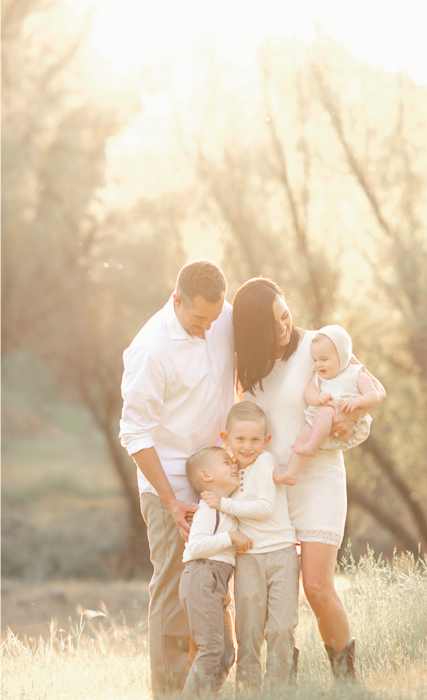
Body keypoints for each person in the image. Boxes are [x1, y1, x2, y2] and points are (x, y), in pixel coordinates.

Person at [232, 277, 386, 681]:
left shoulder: (321, 345)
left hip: (317, 480)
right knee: (274, 596)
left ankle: (347, 682)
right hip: (270, 488)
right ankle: (286, 679)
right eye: (272, 324)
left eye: (285, 315)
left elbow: (365, 405)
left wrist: (344, 422)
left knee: (317, 587)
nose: (284, 327)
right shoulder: (246, 366)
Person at [119, 260, 235, 698]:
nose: (207, 328)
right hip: (168, 486)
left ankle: (205, 688)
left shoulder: (221, 314)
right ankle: (168, 693)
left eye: (214, 317)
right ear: (176, 301)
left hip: (217, 479)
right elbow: (134, 432)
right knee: (173, 588)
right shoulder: (151, 350)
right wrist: (170, 500)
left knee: (214, 582)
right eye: (196, 319)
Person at [201, 401, 300, 693]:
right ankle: (248, 691)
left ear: (266, 441)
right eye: (240, 439)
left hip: (281, 553)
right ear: (226, 439)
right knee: (249, 629)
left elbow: (265, 507)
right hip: (247, 559)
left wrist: (224, 503)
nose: (247, 446)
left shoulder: (264, 462)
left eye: (255, 439)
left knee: (281, 627)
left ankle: (279, 690)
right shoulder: (229, 473)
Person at [179, 446, 251, 699]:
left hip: (218, 582)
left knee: (226, 653)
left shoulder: (227, 508)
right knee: (211, 648)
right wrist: (229, 537)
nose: (234, 465)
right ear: (206, 475)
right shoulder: (208, 510)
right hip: (202, 576)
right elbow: (195, 547)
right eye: (226, 462)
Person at [273, 325, 382, 486]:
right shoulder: (318, 377)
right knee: (300, 440)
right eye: (315, 360)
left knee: (324, 412)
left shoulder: (356, 373)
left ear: (342, 356)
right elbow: (308, 392)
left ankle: (311, 446)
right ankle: (291, 474)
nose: (318, 365)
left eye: (324, 359)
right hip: (317, 423)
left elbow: (374, 395)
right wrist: (316, 398)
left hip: (346, 423)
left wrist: (356, 402)